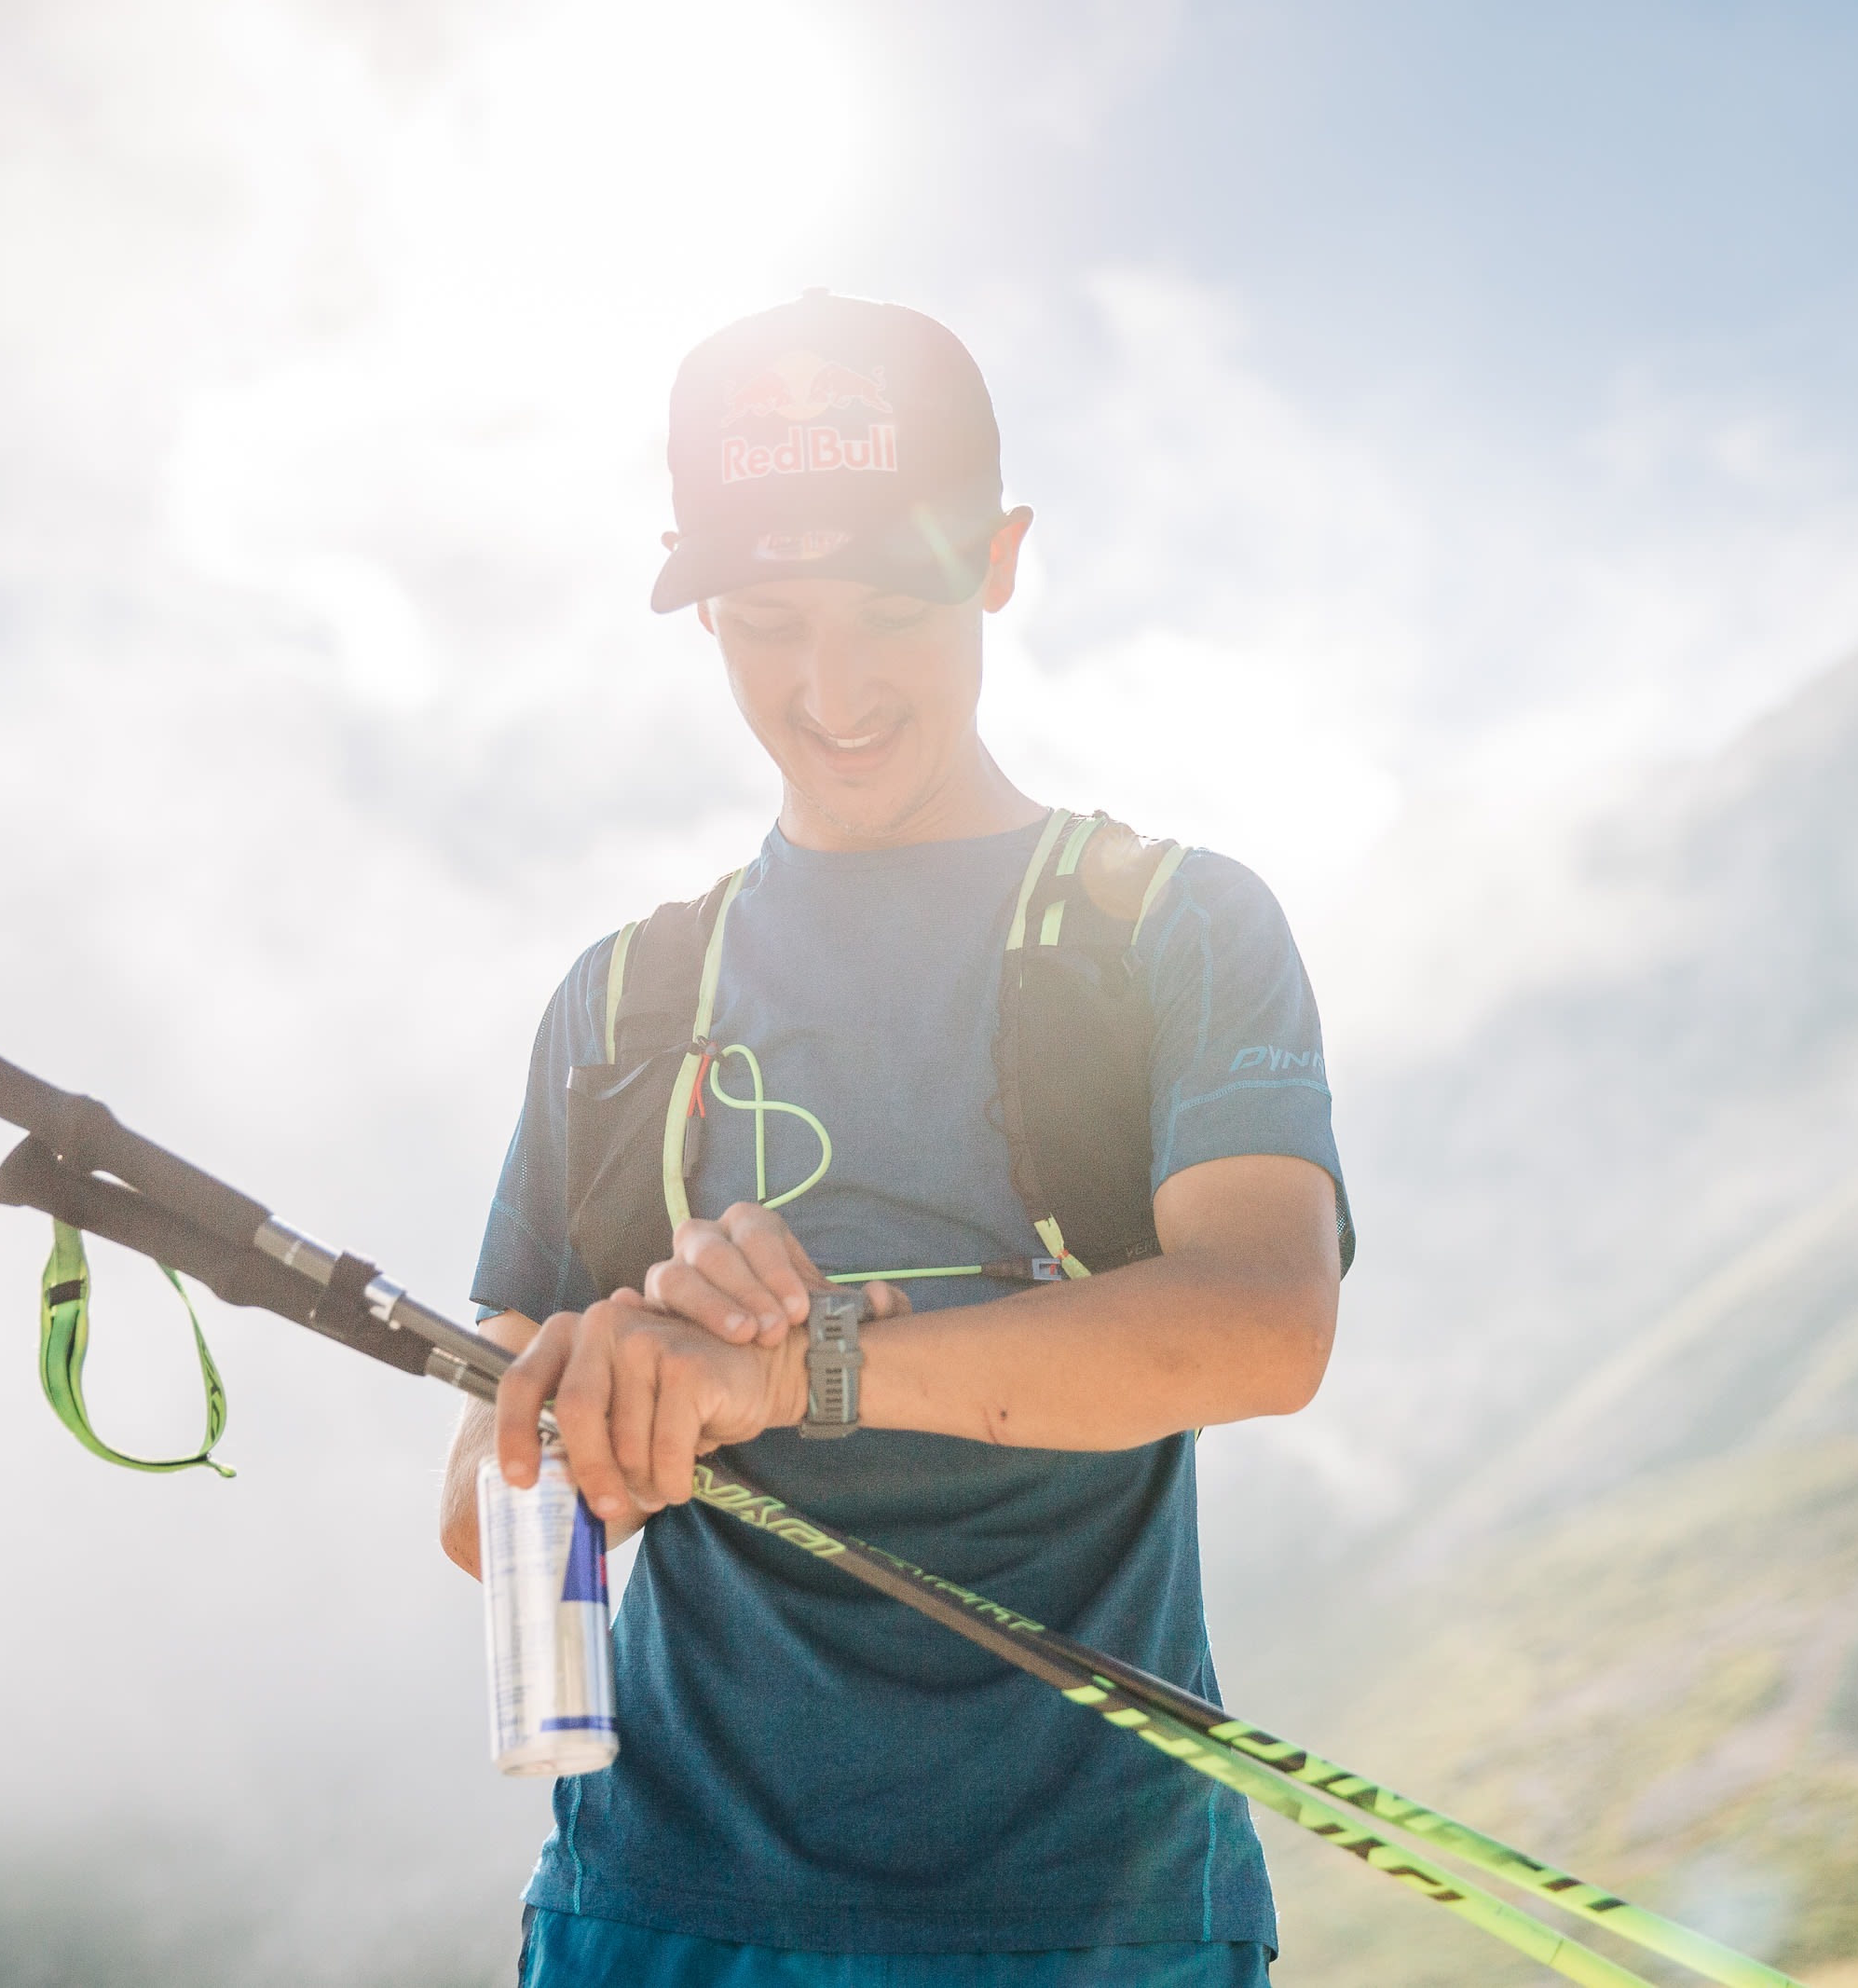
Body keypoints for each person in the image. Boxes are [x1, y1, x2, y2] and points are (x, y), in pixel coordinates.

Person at [436, 289, 1353, 1985]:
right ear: (693, 593)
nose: (833, 684)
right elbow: (484, 1507)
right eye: (768, 619)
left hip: (1094, 1925)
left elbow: (1264, 1322)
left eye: (893, 607)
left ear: (999, 562)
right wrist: (617, 1380)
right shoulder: (624, 1002)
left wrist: (790, 1372)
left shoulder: (1172, 928)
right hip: (657, 1915)